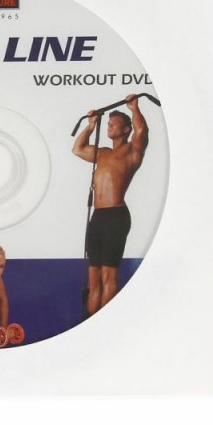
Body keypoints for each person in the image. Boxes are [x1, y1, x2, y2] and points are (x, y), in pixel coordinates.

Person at [71, 94, 149, 316]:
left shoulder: (132, 151)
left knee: (108, 276)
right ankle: (89, 323)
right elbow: (77, 149)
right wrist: (90, 126)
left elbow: (142, 132)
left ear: (126, 130)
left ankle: (105, 322)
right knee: (93, 277)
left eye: (114, 123)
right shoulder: (102, 153)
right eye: (108, 123)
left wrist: (134, 109)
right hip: (98, 217)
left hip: (116, 217)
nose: (110, 126)